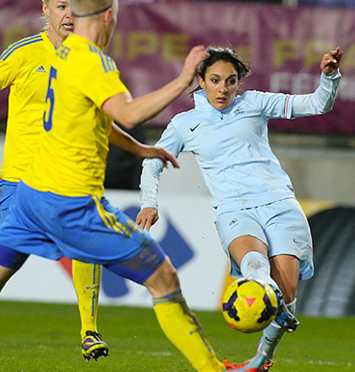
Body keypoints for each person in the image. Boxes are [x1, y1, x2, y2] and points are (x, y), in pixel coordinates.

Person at [0, 1, 261, 371]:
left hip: (30, 197)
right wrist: (181, 79)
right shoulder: (94, 61)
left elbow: (96, 118)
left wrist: (142, 149)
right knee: (163, 277)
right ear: (109, 16)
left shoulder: (62, 54)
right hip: (70, 203)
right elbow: (125, 111)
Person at [0, 0, 149, 365]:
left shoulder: (89, 60)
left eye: (74, 7)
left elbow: (106, 116)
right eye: (60, 6)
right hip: (18, 183)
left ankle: (89, 330)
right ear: (46, 9)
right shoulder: (25, 53)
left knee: (84, 244)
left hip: (64, 178)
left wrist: (138, 148)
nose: (68, 14)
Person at [137, 45, 343, 371]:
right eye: (216, 80)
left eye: (230, 81)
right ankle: (264, 295)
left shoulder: (255, 103)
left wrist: (329, 78)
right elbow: (153, 163)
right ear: (201, 80)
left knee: (287, 296)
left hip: (279, 203)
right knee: (255, 263)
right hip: (234, 208)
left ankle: (262, 359)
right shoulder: (184, 124)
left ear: (238, 82)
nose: (223, 88)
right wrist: (149, 201)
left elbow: (317, 103)